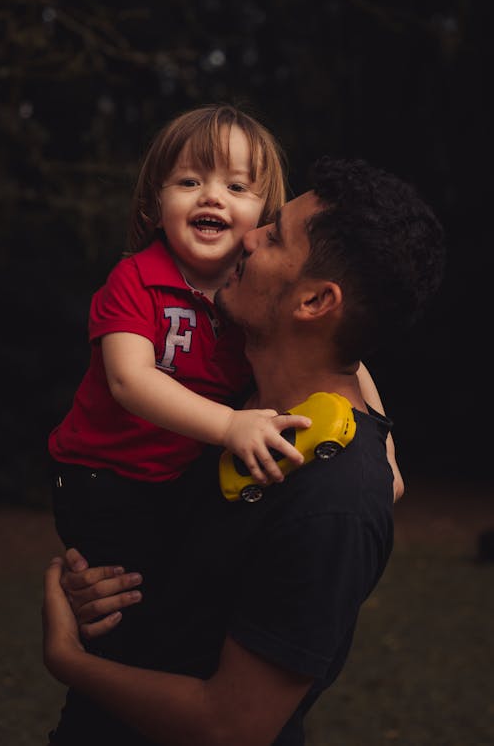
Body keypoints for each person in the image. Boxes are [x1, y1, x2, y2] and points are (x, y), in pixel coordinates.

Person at [43, 155, 445, 746]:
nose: (248, 235)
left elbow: (232, 726)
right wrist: (98, 583)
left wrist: (65, 657)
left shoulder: (335, 497)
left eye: (275, 235)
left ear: (314, 302)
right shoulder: (217, 401)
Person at [48, 104, 401, 573]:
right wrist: (230, 427)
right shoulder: (135, 278)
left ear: (263, 215)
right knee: (133, 597)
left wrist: (384, 457)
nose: (211, 197)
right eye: (190, 182)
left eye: (236, 187)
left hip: (181, 477)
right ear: (155, 206)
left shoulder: (256, 294)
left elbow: (346, 359)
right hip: (105, 479)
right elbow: (128, 381)